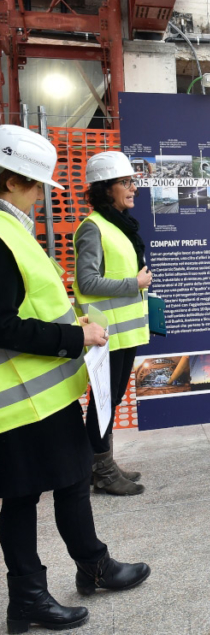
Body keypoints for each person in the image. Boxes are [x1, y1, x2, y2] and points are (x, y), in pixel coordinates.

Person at [0, 125, 150, 633]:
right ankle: (35, 592)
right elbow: (2, 324)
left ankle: (85, 569)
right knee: (29, 494)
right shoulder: (3, 234)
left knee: (62, 482)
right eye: (37, 185)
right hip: (21, 398)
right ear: (14, 180)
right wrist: (73, 338)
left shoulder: (12, 227)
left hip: (42, 391)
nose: (42, 197)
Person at [73, 152, 150, 496]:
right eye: (126, 182)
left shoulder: (119, 223)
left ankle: (102, 462)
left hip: (123, 331)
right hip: (106, 334)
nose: (133, 188)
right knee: (103, 401)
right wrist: (134, 284)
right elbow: (87, 282)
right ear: (107, 189)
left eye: (133, 181)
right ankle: (101, 470)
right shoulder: (93, 227)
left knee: (113, 399)